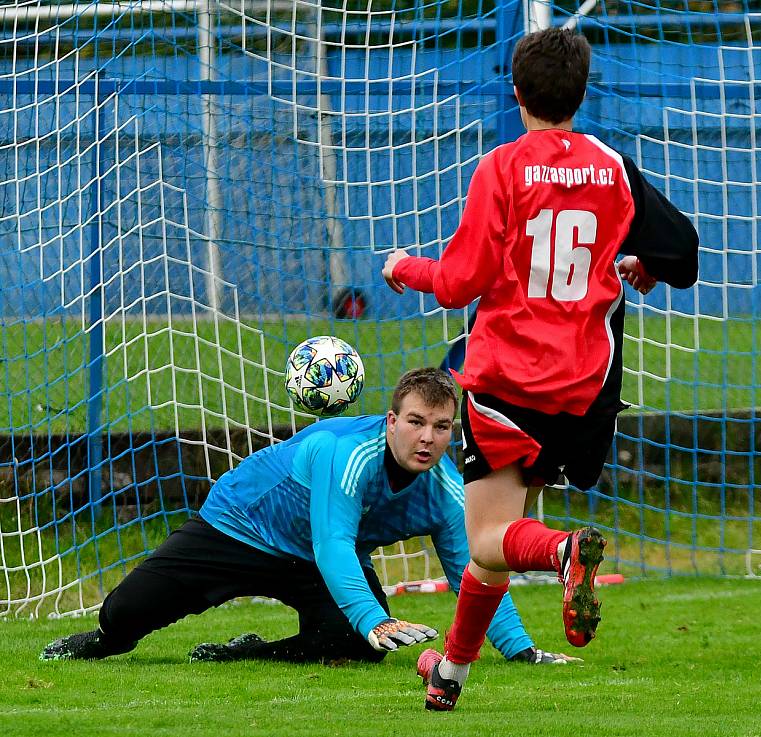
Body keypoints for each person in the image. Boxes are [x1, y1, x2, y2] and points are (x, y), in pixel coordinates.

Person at [382, 28, 699, 711]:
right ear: (582, 94)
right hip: (585, 390)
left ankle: (562, 553)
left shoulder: (502, 167)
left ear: (517, 93)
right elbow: (684, 252)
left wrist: (403, 266)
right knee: (492, 548)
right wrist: (644, 264)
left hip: (508, 383)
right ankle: (450, 676)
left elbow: (461, 281)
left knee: (492, 536)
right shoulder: (613, 166)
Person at [41, 368, 578, 668]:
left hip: (312, 558)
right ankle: (102, 640)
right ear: (391, 420)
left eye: (441, 427)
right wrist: (377, 617)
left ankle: (252, 653)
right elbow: (334, 544)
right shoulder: (346, 452)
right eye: (415, 422)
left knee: (357, 648)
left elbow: (478, 568)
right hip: (239, 528)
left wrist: (522, 651)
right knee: (126, 612)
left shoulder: (443, 490)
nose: (427, 438)